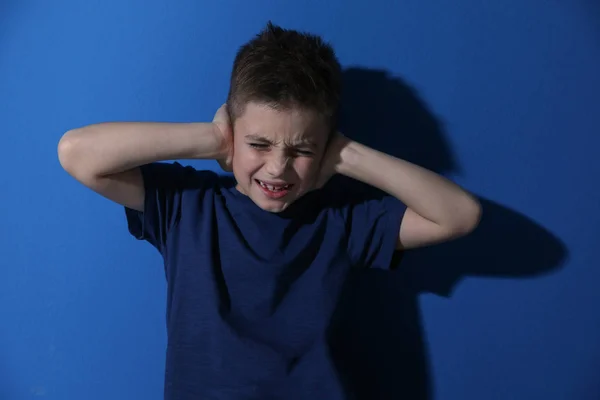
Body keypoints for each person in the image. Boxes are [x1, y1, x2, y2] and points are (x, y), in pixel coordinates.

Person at [58, 21, 481, 400]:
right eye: (258, 144)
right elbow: (77, 153)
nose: (277, 168)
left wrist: (346, 155)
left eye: (301, 150)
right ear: (233, 135)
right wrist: (212, 139)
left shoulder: (344, 218)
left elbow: (459, 215)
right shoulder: (187, 203)